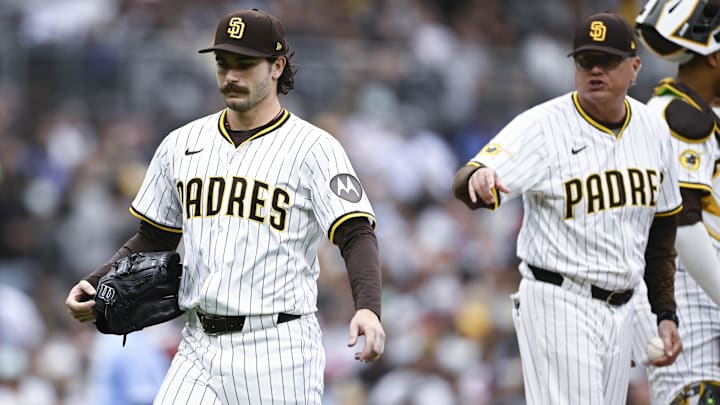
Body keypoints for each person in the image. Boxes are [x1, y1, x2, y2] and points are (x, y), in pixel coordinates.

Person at [64, 8, 385, 404]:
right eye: (223, 63)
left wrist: (368, 308)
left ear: (276, 66)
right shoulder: (181, 144)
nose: (231, 75)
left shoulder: (314, 149)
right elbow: (155, 236)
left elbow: (355, 234)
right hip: (198, 344)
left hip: (277, 348)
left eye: (245, 64)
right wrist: (96, 281)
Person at [452, 11, 683, 405]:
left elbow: (662, 232)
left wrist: (664, 313)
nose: (594, 70)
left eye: (607, 61)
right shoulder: (543, 126)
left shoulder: (653, 130)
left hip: (624, 305)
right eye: (584, 60)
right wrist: (477, 180)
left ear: (634, 67)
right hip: (560, 299)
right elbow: (468, 179)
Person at [631, 1, 720, 403]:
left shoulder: (696, 113)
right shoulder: (678, 115)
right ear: (715, 58)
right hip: (687, 296)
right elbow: (683, 226)